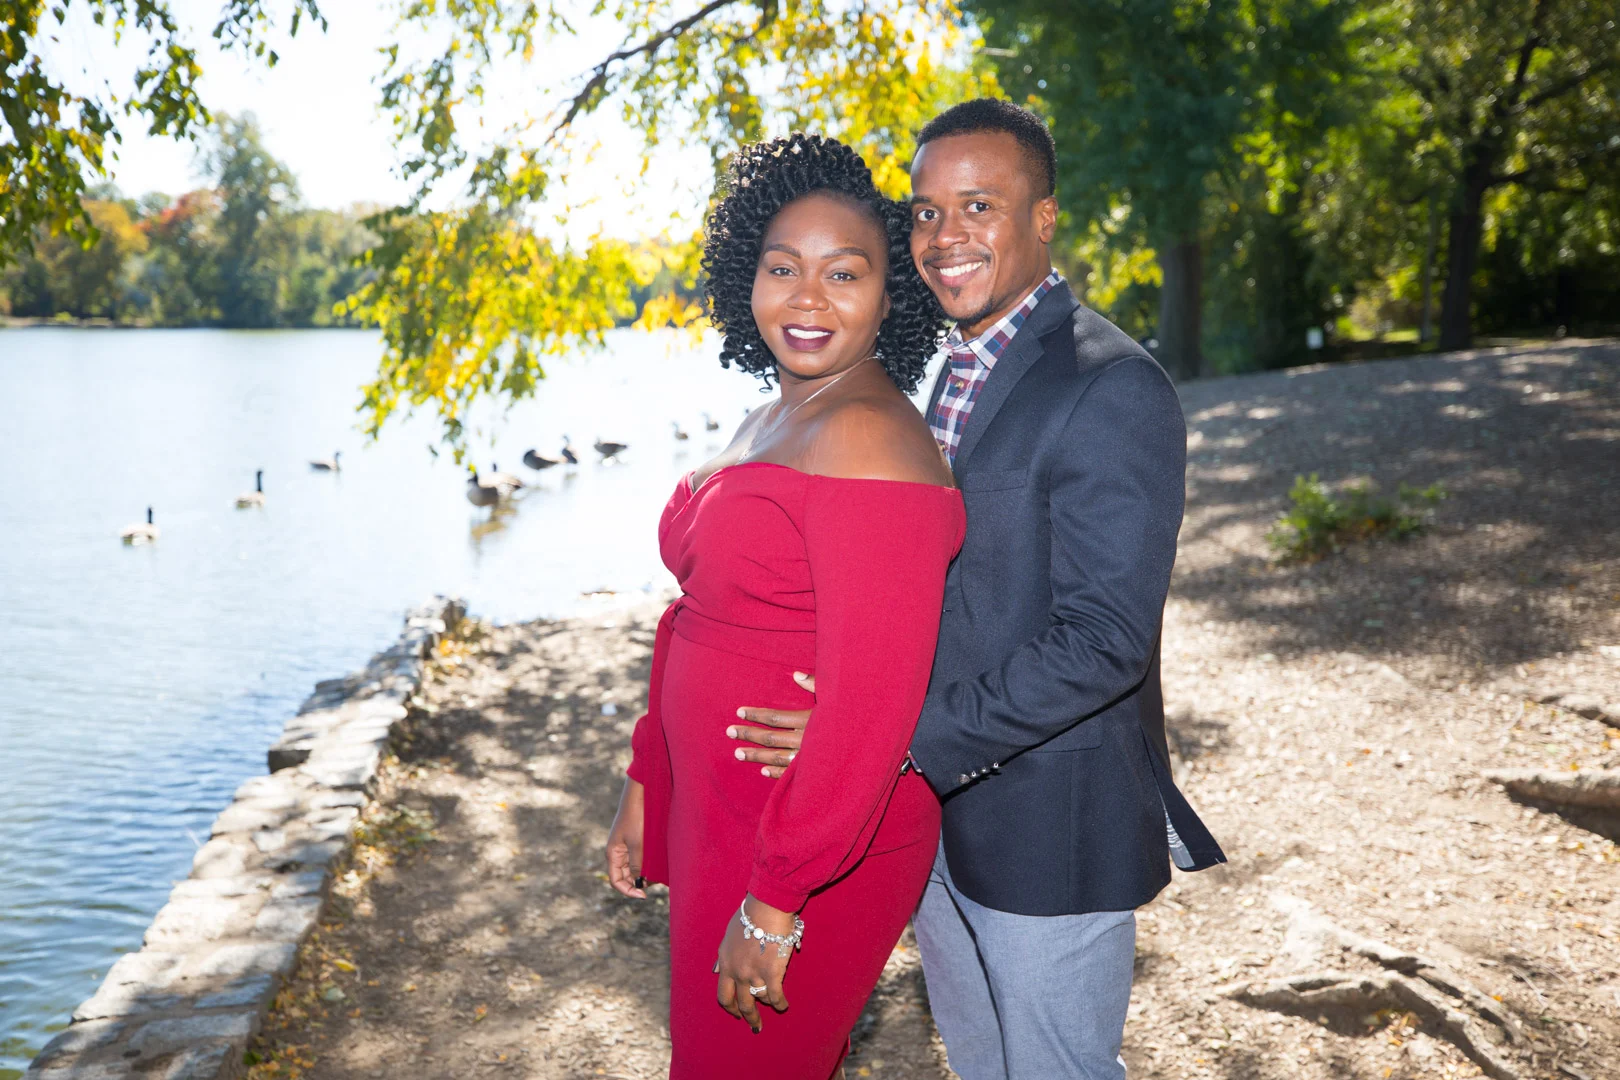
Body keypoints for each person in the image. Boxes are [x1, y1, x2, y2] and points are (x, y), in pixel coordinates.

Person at [728, 99, 1227, 1079]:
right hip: (933, 822)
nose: (944, 235)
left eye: (978, 207)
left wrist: (899, 738)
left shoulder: (1112, 386)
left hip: (1049, 829)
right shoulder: (947, 373)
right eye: (925, 212)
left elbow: (1103, 643)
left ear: (1043, 218)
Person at [603, 132, 964, 1079]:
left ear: (890, 296)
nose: (808, 298)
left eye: (844, 274)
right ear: (745, 280)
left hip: (807, 835)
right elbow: (700, 613)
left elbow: (873, 704)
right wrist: (651, 778)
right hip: (724, 809)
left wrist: (775, 902)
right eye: (782, 268)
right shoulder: (775, 412)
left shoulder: (868, 437)